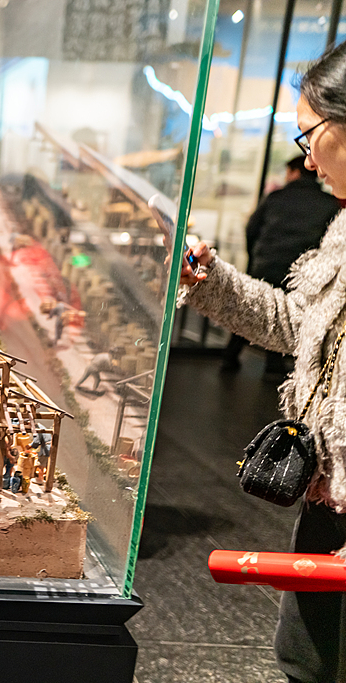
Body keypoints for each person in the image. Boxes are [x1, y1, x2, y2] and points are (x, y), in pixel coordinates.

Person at [180, 42, 346, 683]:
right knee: (305, 662)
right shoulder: (343, 227)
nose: (305, 155)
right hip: (327, 507)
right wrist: (210, 279)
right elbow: (299, 327)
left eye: (310, 134)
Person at [223, 154, 341, 374]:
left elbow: (252, 229)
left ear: (295, 173)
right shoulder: (328, 203)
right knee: (286, 314)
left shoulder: (276, 197)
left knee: (252, 308)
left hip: (266, 263)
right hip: (300, 272)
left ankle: (229, 359)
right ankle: (273, 368)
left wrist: (255, 256)